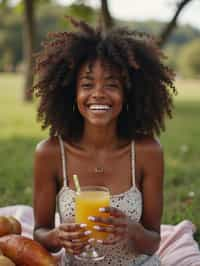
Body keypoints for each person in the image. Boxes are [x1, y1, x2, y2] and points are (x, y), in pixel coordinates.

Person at [32, 17, 176, 265]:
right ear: (71, 93)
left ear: (128, 93)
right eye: (87, 84)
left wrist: (131, 230)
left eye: (112, 84)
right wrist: (56, 236)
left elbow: (153, 243)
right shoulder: (50, 153)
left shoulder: (147, 151)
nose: (98, 93)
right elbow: (40, 232)